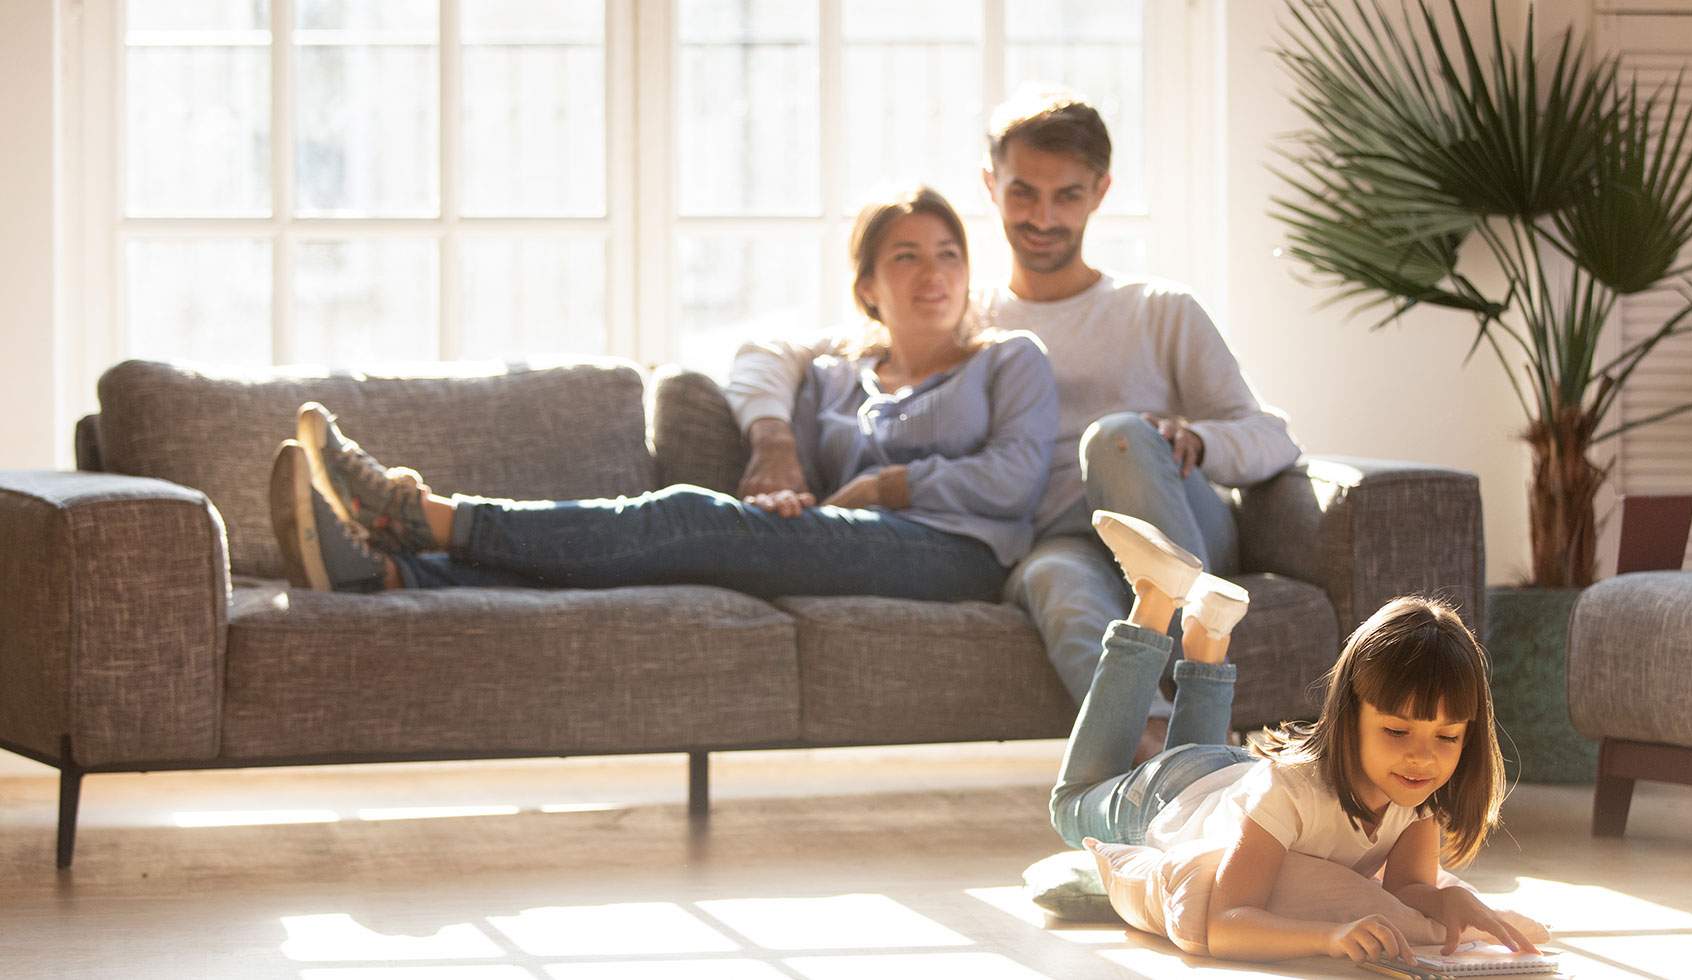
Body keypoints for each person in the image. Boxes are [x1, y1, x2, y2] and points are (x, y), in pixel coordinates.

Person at [727, 93, 1301, 764]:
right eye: (1023, 193)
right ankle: (1168, 762)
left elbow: (1272, 436)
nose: (1043, 217)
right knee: (1052, 579)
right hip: (1067, 541)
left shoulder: (1158, 311)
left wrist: (1196, 439)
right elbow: (775, 350)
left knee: (1114, 437)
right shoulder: (968, 315)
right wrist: (773, 439)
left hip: (1173, 521)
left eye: (1068, 196)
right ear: (991, 186)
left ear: (1101, 194)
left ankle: (1192, 628)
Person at [269, 186, 1058, 601]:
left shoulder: (1009, 360)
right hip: (851, 541)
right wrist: (787, 481)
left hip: (957, 555)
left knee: (689, 516)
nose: (935, 274)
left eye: (950, 254)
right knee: (669, 553)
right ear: (867, 286)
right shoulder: (830, 379)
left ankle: (425, 519)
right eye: (908, 257)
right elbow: (797, 443)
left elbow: (1014, 480)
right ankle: (394, 575)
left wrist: (892, 484)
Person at [1055, 510, 1545, 967]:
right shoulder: (1292, 791)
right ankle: (1155, 601)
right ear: (1348, 715)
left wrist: (1443, 896)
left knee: (1202, 772)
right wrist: (1328, 937)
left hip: (1225, 776)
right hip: (1167, 796)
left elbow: (1407, 887)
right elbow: (1227, 925)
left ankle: (1208, 633)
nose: (1423, 756)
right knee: (1069, 806)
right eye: (1397, 730)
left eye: (1448, 737)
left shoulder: (1417, 792)